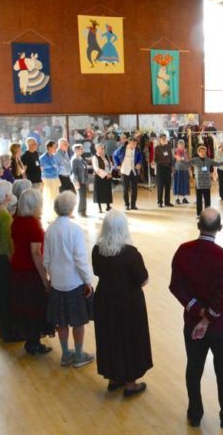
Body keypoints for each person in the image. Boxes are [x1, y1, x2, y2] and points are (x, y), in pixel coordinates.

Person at [169, 208, 223, 429]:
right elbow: (221, 296)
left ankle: (195, 413)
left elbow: (176, 286)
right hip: (221, 325)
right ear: (220, 228)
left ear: (198, 225)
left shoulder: (183, 251)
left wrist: (199, 313)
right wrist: (208, 317)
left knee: (194, 368)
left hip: (192, 323)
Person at [93, 210, 152, 397]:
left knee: (110, 337)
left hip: (104, 299)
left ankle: (114, 378)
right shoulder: (131, 253)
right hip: (128, 301)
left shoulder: (97, 250)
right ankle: (130, 383)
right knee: (130, 338)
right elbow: (142, 279)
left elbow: (96, 272)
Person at [43, 191, 96, 369]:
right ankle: (79, 354)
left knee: (61, 321)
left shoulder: (50, 229)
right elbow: (80, 259)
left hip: (57, 282)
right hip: (74, 282)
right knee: (78, 321)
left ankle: (66, 354)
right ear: (72, 208)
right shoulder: (75, 230)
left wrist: (50, 278)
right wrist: (88, 281)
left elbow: (47, 259)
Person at [10, 189, 52, 356]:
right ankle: (34, 343)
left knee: (24, 307)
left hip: (17, 268)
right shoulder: (33, 224)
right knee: (35, 308)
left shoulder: (16, 220)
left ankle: (30, 340)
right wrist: (44, 279)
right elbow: (36, 253)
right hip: (30, 271)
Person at [0, 180, 22, 342]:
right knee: (8, 295)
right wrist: (14, 264)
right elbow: (9, 244)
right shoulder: (4, 215)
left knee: (1, 293)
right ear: (7, 196)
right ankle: (10, 331)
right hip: (4, 258)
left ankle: (6, 329)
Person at [184, 145, 223, 217]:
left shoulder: (209, 160)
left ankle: (207, 213)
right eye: (201, 151)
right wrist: (179, 160)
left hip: (207, 183)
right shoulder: (195, 160)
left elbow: (217, 164)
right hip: (199, 183)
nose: (202, 153)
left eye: (204, 151)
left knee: (207, 200)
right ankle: (199, 214)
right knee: (199, 200)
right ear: (198, 153)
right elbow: (186, 164)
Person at [113, 138, 143, 210]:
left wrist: (139, 163)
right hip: (124, 171)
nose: (134, 145)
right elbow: (114, 155)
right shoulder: (122, 149)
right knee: (125, 189)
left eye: (135, 143)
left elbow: (140, 158)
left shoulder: (137, 149)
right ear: (129, 142)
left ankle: (133, 205)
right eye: (133, 143)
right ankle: (126, 204)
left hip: (134, 171)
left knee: (134, 189)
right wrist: (117, 164)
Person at [152, 133, 174, 208]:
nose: (164, 139)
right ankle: (160, 202)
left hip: (168, 168)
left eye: (165, 138)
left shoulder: (168, 146)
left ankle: (167, 202)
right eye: (162, 138)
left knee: (168, 185)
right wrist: (161, 162)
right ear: (159, 139)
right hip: (160, 168)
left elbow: (171, 157)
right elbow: (155, 159)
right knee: (160, 186)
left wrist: (172, 167)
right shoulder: (157, 148)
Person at [40, 140, 60, 218]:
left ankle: (55, 214)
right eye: (54, 147)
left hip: (55, 178)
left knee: (56, 197)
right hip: (47, 179)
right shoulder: (42, 158)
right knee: (48, 198)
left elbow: (57, 167)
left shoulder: (54, 156)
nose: (56, 148)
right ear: (49, 147)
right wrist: (52, 167)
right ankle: (49, 216)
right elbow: (41, 169)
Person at [91, 143, 113, 213]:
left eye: (103, 148)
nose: (103, 150)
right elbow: (96, 168)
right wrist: (106, 174)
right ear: (97, 149)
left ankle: (108, 206)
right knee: (99, 193)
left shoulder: (106, 156)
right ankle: (99, 208)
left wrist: (110, 172)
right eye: (101, 148)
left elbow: (110, 164)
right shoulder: (95, 157)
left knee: (107, 192)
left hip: (107, 177)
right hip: (99, 177)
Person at [71, 144, 88, 217]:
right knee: (81, 196)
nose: (82, 150)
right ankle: (80, 211)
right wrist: (76, 181)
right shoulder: (74, 159)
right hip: (79, 181)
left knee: (83, 196)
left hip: (83, 180)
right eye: (81, 149)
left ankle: (83, 210)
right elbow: (74, 172)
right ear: (76, 150)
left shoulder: (80, 158)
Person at [173, 139, 191, 205]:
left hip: (185, 170)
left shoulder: (185, 151)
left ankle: (184, 198)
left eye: (182, 144)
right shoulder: (175, 151)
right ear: (178, 145)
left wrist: (189, 170)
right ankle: (177, 199)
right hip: (178, 170)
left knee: (185, 184)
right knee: (178, 184)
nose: (181, 145)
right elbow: (177, 159)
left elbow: (187, 160)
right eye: (180, 144)